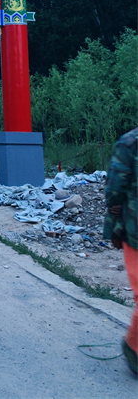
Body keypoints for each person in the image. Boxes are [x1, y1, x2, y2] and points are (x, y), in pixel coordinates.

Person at [103, 127, 138, 377]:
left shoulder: (130, 142)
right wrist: (114, 223)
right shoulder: (130, 143)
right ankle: (133, 348)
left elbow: (114, 191)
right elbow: (115, 190)